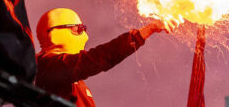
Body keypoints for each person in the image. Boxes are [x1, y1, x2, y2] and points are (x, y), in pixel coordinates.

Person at [33, 7, 175, 107]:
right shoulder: (44, 66)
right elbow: (96, 59)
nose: (85, 36)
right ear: (53, 33)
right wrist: (144, 32)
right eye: (78, 29)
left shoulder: (71, 78)